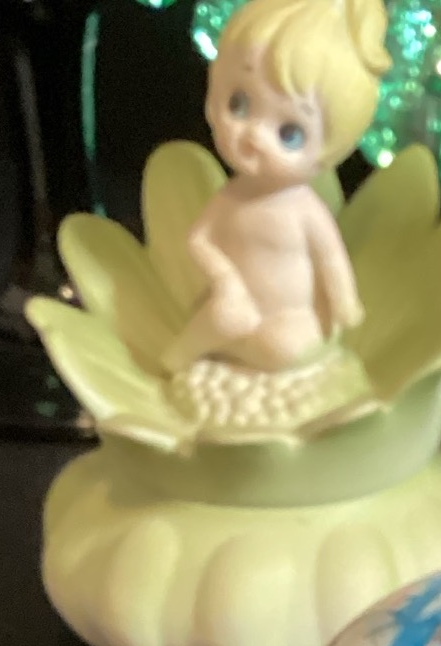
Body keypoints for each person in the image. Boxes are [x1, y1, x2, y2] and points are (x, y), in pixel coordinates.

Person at [162, 0, 392, 373]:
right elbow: (199, 240)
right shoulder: (231, 198)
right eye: (238, 104)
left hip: (288, 316)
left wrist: (344, 303)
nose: (254, 136)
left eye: (289, 133)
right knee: (218, 317)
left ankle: (242, 351)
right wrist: (225, 279)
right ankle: (184, 355)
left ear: (327, 153)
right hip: (230, 303)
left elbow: (330, 259)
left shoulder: (304, 210)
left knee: (285, 347)